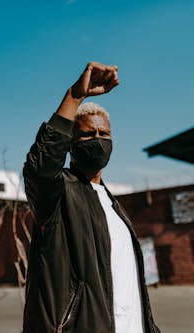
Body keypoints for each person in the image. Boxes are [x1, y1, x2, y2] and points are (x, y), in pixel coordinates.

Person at [22, 62, 161, 333]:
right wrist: (75, 96)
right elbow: (40, 167)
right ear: (70, 144)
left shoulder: (114, 205)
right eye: (87, 134)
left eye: (104, 134)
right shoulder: (59, 193)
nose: (97, 139)